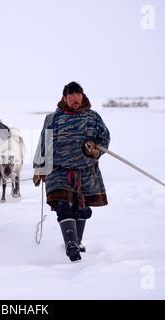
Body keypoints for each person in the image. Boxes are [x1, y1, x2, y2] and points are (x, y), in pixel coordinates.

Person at [33, 81, 110, 261]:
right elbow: (45, 143)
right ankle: (71, 245)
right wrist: (40, 168)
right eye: (72, 95)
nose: (75, 98)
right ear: (65, 97)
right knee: (63, 206)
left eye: (78, 94)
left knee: (81, 208)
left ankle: (76, 242)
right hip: (59, 170)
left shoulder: (93, 118)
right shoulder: (53, 118)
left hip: (86, 171)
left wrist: (96, 149)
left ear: (82, 96)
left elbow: (104, 137)